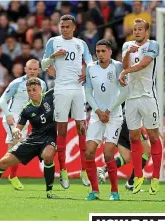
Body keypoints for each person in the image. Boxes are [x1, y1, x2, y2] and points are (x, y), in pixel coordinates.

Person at [0, 78, 59, 199]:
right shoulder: (27, 109)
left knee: (48, 155)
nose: (32, 92)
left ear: (40, 89)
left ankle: (49, 192)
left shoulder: (50, 96)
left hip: (49, 138)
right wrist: (16, 130)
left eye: (34, 89)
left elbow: (66, 87)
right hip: (32, 139)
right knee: (4, 162)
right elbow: (18, 127)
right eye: (29, 90)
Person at [41, 14, 93, 188]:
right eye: (61, 26)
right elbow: (43, 64)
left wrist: (87, 71)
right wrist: (53, 56)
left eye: (67, 26)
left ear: (74, 28)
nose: (64, 29)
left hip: (78, 89)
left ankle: (83, 171)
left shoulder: (81, 44)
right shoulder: (53, 42)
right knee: (61, 131)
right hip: (61, 89)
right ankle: (63, 170)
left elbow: (91, 63)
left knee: (82, 128)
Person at [0, 59, 48, 191]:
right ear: (25, 70)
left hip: (25, 121)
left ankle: (2, 177)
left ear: (39, 70)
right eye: (29, 69)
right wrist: (8, 114)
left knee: (13, 151)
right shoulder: (17, 83)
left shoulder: (43, 84)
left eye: (34, 69)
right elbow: (3, 99)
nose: (32, 71)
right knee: (18, 147)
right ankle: (6, 177)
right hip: (13, 120)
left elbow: (41, 103)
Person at [118, 18, 163, 194]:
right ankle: (138, 176)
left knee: (153, 137)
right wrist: (128, 54)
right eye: (134, 29)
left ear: (147, 32)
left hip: (147, 97)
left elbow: (144, 63)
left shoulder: (153, 45)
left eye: (140, 29)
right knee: (134, 137)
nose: (136, 32)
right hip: (131, 98)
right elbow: (125, 65)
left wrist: (125, 72)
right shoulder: (126, 46)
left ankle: (156, 177)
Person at [82, 39, 127, 200]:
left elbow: (124, 92)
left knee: (108, 154)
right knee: (89, 152)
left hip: (114, 115)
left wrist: (108, 110)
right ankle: (94, 191)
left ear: (109, 52)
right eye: (98, 51)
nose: (100, 54)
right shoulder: (90, 68)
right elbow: (87, 92)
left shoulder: (117, 66)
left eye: (103, 51)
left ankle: (114, 191)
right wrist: (98, 111)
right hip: (96, 115)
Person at [97, 113, 152, 191]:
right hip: (131, 125)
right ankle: (132, 181)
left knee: (126, 158)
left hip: (121, 125)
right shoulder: (145, 102)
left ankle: (103, 169)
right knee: (147, 150)